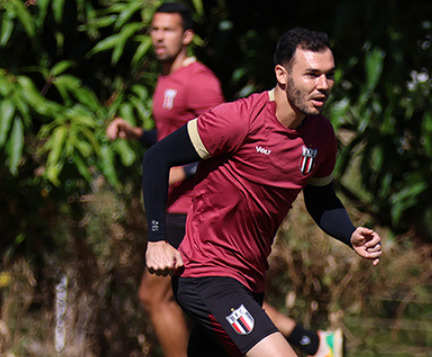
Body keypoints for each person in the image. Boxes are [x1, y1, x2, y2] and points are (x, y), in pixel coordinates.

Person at [109, 4, 338, 357]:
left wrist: (181, 174)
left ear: (187, 36)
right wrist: (138, 133)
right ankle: (311, 339)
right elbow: (175, 140)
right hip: (199, 244)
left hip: (196, 212)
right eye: (154, 29)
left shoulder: (200, 83)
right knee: (197, 296)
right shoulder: (166, 78)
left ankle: (310, 339)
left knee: (161, 296)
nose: (158, 37)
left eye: (167, 30)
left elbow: (220, 143)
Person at [142, 27, 383, 357]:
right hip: (206, 275)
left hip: (250, 282)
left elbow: (321, 198)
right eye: (312, 74)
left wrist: (350, 233)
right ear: (281, 75)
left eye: (329, 75)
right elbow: (157, 157)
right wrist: (156, 239)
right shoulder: (238, 120)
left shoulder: (321, 137)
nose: (323, 85)